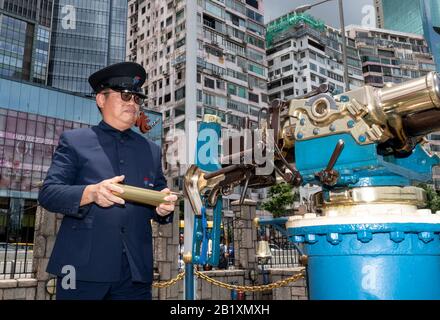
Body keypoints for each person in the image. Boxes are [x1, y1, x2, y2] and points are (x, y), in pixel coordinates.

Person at [38, 62, 177, 300]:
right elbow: (48, 193)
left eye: (136, 98)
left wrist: (164, 208)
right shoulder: (75, 141)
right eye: (124, 95)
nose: (132, 103)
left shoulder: (151, 150)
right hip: (82, 270)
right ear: (101, 100)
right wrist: (91, 193)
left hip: (135, 273)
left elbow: (159, 197)